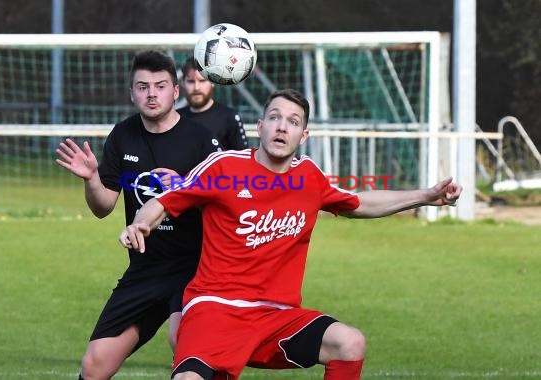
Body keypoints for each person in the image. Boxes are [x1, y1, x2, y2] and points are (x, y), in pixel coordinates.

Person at [119, 89, 463, 380]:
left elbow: (359, 202)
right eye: (275, 118)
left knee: (350, 342)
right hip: (215, 309)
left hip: (275, 317)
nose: (283, 127)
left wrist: (425, 196)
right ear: (260, 126)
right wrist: (141, 223)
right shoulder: (224, 167)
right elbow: (164, 200)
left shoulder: (309, 177)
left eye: (293, 122)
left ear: (304, 136)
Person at [55, 50, 220, 380]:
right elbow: (103, 208)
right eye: (142, 87)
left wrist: (186, 188)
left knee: (184, 342)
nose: (151, 94)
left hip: (194, 268)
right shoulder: (123, 135)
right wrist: (91, 179)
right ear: (132, 93)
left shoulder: (201, 140)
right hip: (144, 268)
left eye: (160, 86)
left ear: (176, 91)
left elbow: (221, 207)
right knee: (95, 363)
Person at [178, 56, 248, 150]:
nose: (196, 87)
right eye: (191, 81)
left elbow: (241, 160)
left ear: (213, 81)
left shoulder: (229, 117)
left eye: (202, 81)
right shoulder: (175, 118)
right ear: (182, 83)